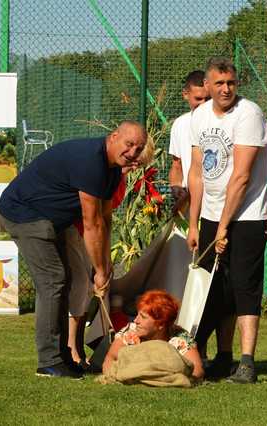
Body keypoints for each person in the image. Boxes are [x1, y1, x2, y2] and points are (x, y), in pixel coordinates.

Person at [0, 121, 147, 379]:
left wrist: (106, 265)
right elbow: (91, 224)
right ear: (113, 138)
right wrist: (99, 270)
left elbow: (106, 218)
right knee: (54, 280)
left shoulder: (112, 170)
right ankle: (48, 361)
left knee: (65, 281)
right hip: (24, 213)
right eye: (129, 144)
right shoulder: (92, 162)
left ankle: (64, 357)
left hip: (52, 218)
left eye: (139, 148)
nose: (133, 152)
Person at [187, 57, 267, 384]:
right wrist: (194, 224)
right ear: (206, 86)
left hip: (247, 216)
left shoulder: (248, 114)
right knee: (213, 291)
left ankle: (247, 362)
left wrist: (224, 227)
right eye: (219, 83)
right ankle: (221, 358)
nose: (225, 89)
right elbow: (196, 173)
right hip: (209, 216)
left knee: (244, 287)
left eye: (231, 83)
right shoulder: (199, 116)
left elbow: (241, 176)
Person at [66, 138, 155, 367]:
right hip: (76, 231)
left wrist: (105, 261)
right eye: (133, 162)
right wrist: (99, 264)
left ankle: (78, 349)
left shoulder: (120, 180)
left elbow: (107, 220)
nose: (133, 167)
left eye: (139, 165)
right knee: (81, 288)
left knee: (90, 292)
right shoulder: (104, 175)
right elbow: (92, 219)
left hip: (91, 237)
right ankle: (71, 349)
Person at [102, 290, 204, 380]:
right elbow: (109, 359)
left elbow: (197, 371)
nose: (136, 320)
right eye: (137, 314)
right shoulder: (131, 333)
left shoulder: (180, 338)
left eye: (143, 317)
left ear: (160, 324)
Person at [168, 70, 210, 214]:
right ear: (185, 94)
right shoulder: (179, 124)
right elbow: (176, 164)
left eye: (208, 99)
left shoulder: (221, 122)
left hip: (215, 200)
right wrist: (175, 186)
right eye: (198, 99)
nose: (204, 104)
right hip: (189, 199)